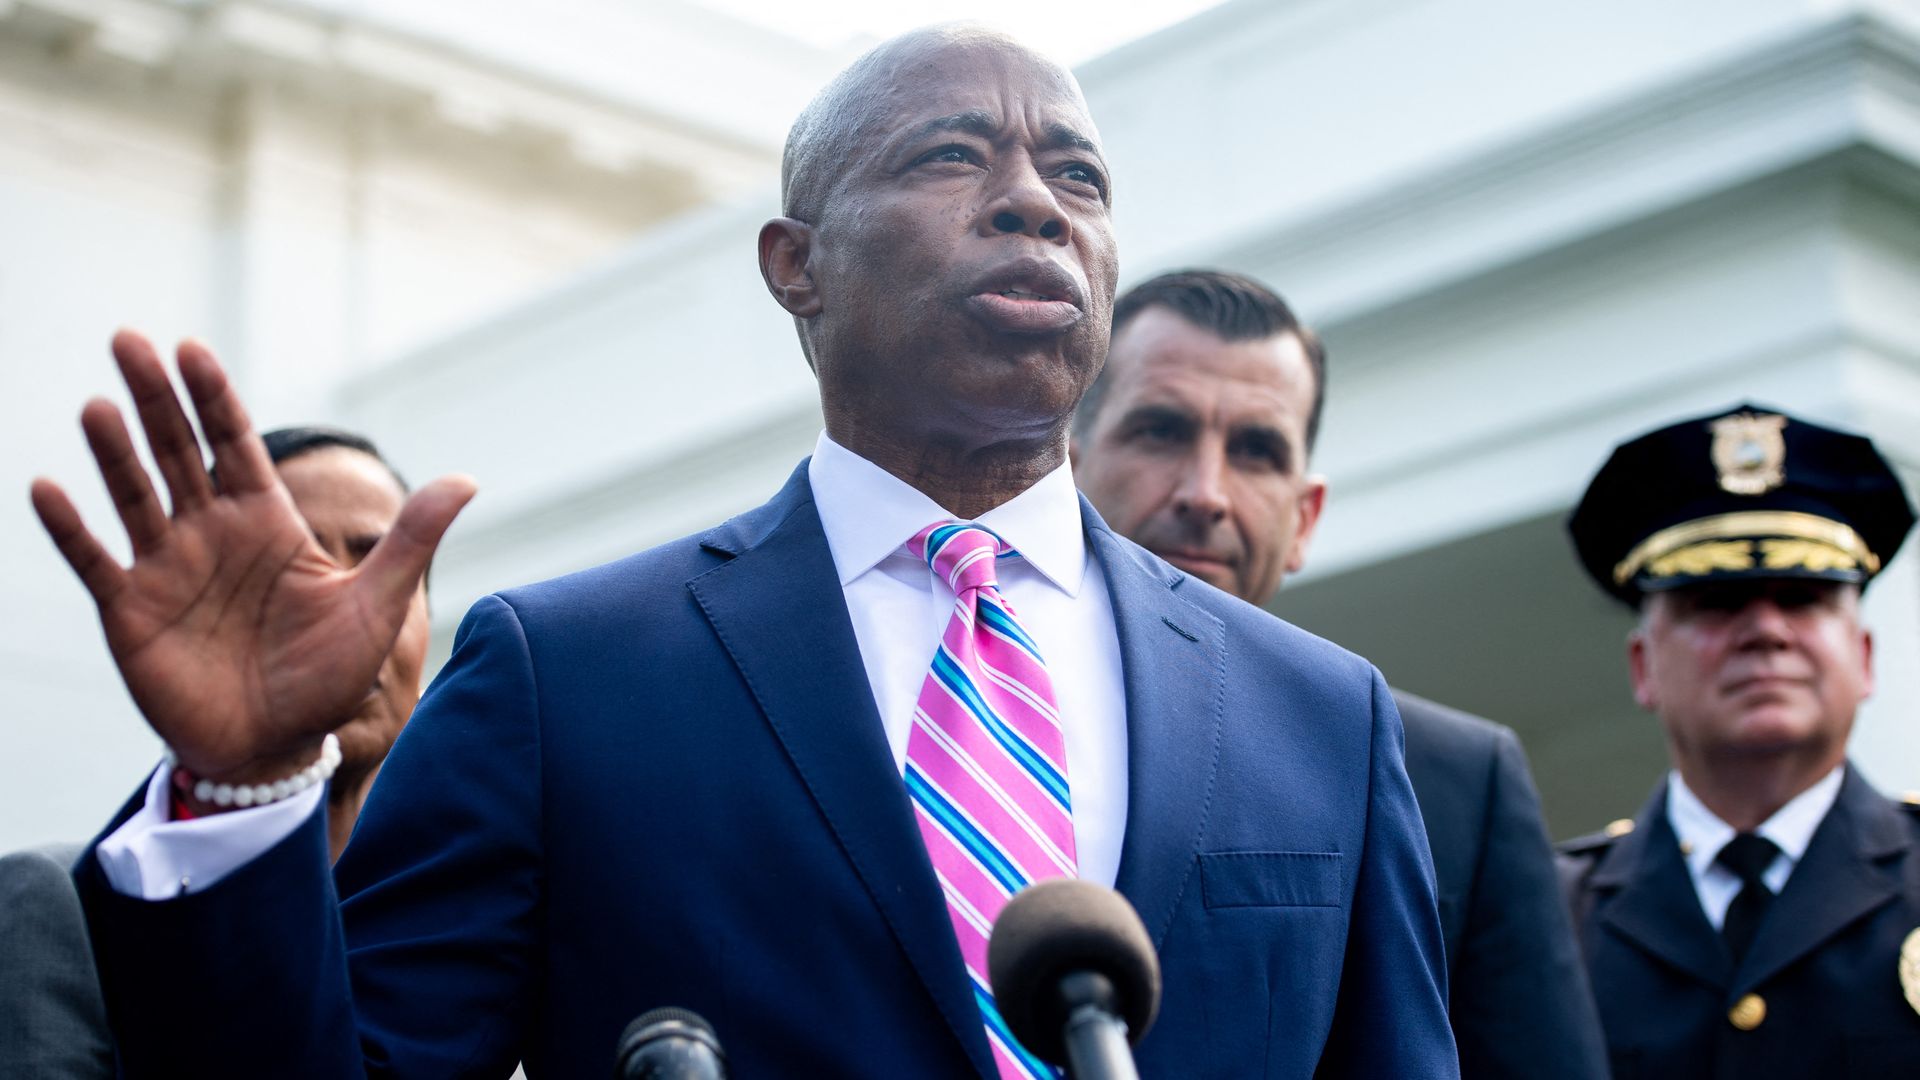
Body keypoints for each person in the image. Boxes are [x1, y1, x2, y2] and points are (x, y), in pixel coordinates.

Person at [38, 27, 1455, 1077]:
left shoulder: (1321, 715)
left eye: (1075, 173)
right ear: (796, 262)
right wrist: (238, 790)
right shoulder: (568, 677)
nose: (1037, 202)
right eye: (955, 156)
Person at [1070, 269, 1608, 1080]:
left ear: (1306, 517)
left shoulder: (1459, 784)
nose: (1206, 493)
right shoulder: (964, 715)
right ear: (1067, 469)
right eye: (1160, 431)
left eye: (1256, 450)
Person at [0, 426, 430, 1079]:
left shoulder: (481, 912)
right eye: (296, 566)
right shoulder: (58, 908)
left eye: (378, 566)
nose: (338, 604)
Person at [1558, 404, 1920, 1076]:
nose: (1766, 632)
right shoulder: (1549, 917)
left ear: (1865, 656)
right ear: (1643, 667)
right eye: (1717, 603)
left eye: (1805, 597)